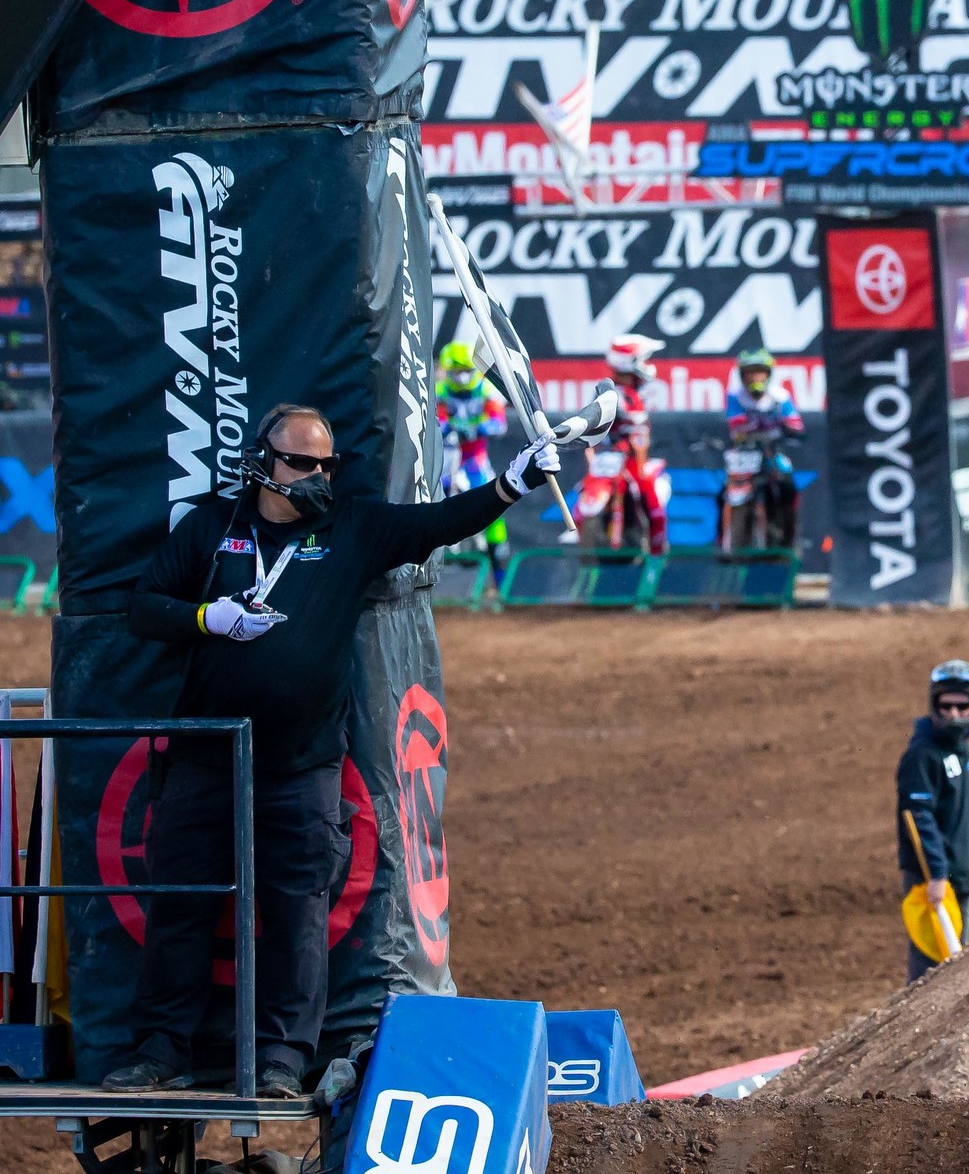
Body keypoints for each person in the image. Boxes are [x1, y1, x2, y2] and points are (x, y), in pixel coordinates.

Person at [106, 404, 557, 1098]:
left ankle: (284, 1059)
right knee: (181, 907)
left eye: (327, 465)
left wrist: (511, 484)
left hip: (302, 766)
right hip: (204, 759)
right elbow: (144, 608)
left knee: (297, 916)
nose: (318, 476)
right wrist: (208, 618)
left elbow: (435, 524)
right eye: (302, 463)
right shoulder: (212, 527)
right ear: (262, 464)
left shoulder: (352, 525)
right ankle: (161, 1049)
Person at [897, 660, 969, 983]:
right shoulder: (923, 755)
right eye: (946, 705)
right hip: (935, 882)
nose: (954, 713)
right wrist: (935, 874)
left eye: (963, 706)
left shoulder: (962, 750)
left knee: (955, 965)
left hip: (960, 875)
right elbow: (917, 817)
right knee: (932, 973)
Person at [433, 340, 511, 566]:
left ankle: (498, 544)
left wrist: (477, 429)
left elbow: (499, 423)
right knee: (435, 493)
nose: (462, 377)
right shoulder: (439, 391)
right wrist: (447, 427)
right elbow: (435, 420)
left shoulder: (486, 390)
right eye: (457, 371)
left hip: (474, 456)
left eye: (467, 371)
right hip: (447, 456)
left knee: (492, 493)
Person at [723, 348, 806, 547]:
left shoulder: (780, 396)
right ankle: (727, 543)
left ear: (768, 374)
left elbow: (796, 423)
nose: (754, 378)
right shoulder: (735, 396)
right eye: (749, 373)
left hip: (771, 451)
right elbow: (735, 425)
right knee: (725, 492)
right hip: (744, 452)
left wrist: (786, 425)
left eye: (758, 372)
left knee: (787, 483)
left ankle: (787, 536)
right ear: (742, 375)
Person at [597, 333, 668, 555]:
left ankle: (656, 552)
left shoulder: (639, 393)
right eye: (644, 360)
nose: (647, 366)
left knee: (652, 498)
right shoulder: (605, 390)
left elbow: (641, 428)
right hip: (607, 456)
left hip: (632, 459)